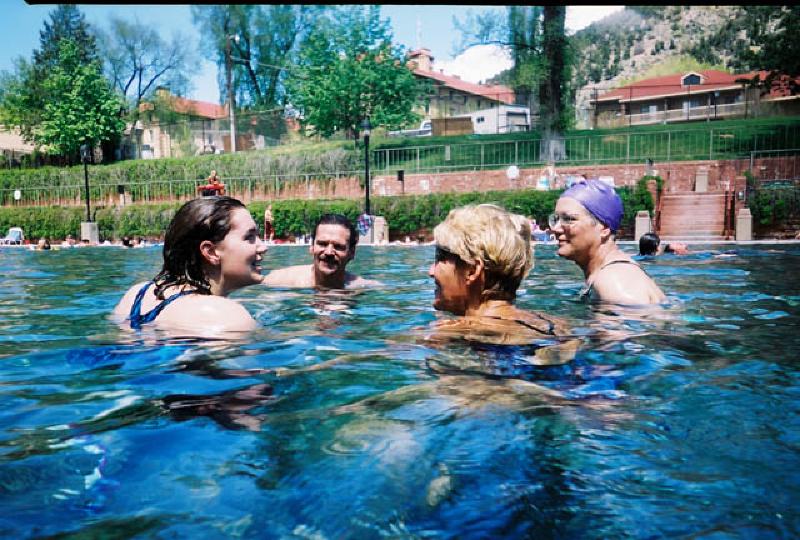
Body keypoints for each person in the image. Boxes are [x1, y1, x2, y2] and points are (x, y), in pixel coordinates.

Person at [427, 204, 576, 363]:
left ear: (472, 270)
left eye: (440, 257)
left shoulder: (451, 331)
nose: (431, 271)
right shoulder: (556, 325)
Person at [113, 196, 267, 335]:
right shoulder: (226, 315)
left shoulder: (137, 294)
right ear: (211, 252)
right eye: (249, 237)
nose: (263, 247)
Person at [551, 179, 665, 305]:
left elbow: (636, 314)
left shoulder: (612, 281)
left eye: (569, 219)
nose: (555, 228)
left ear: (604, 228)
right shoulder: (613, 274)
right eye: (556, 219)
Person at [261, 213, 380, 289]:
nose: (329, 252)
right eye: (322, 244)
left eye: (338, 246)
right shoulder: (280, 280)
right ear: (311, 247)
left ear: (352, 252)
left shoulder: (363, 287)